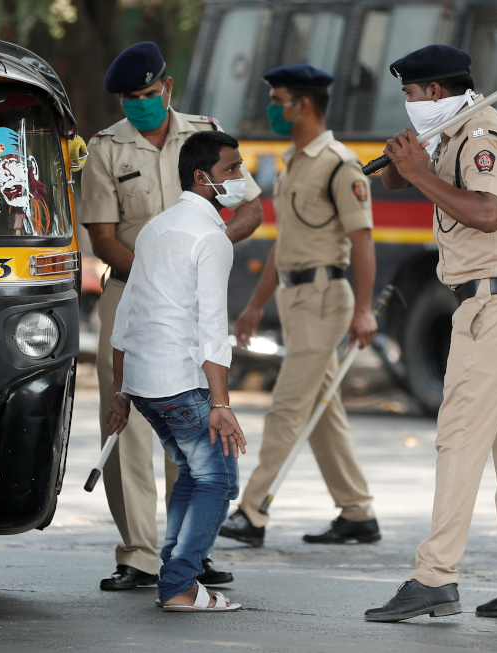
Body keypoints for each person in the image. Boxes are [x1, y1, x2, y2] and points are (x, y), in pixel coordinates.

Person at [363, 45, 497, 623]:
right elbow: (402, 185)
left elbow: (487, 212)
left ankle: (435, 576)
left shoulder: (480, 138)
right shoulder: (451, 133)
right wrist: (407, 165)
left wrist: (421, 172)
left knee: (459, 438)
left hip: (496, 303)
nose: (408, 103)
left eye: (411, 94)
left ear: (437, 93)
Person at [81, 41, 263, 591]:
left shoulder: (205, 136)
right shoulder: (106, 148)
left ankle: (189, 550)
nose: (139, 103)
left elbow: (250, 207)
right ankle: (137, 554)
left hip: (191, 291)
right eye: (129, 98)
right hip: (130, 289)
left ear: (167, 87)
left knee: (192, 415)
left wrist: (208, 245)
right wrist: (162, 273)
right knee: (131, 420)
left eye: (147, 94)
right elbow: (102, 238)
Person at [219, 64, 381, 548]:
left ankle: (252, 512)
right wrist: (253, 307)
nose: (272, 108)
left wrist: (365, 309)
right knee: (320, 413)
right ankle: (357, 513)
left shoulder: (339, 165)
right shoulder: (298, 163)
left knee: (288, 407)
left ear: (303, 105)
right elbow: (284, 246)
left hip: (324, 299)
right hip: (295, 299)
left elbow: (363, 241)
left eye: (278, 99)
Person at [106, 130, 248, 612]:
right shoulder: (211, 238)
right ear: (201, 177)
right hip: (180, 381)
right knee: (218, 480)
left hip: (145, 383)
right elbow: (212, 328)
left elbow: (126, 313)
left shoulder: (156, 228)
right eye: (232, 169)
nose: (242, 177)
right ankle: (180, 586)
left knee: (194, 471)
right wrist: (222, 404)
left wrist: (120, 391)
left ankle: (173, 568)